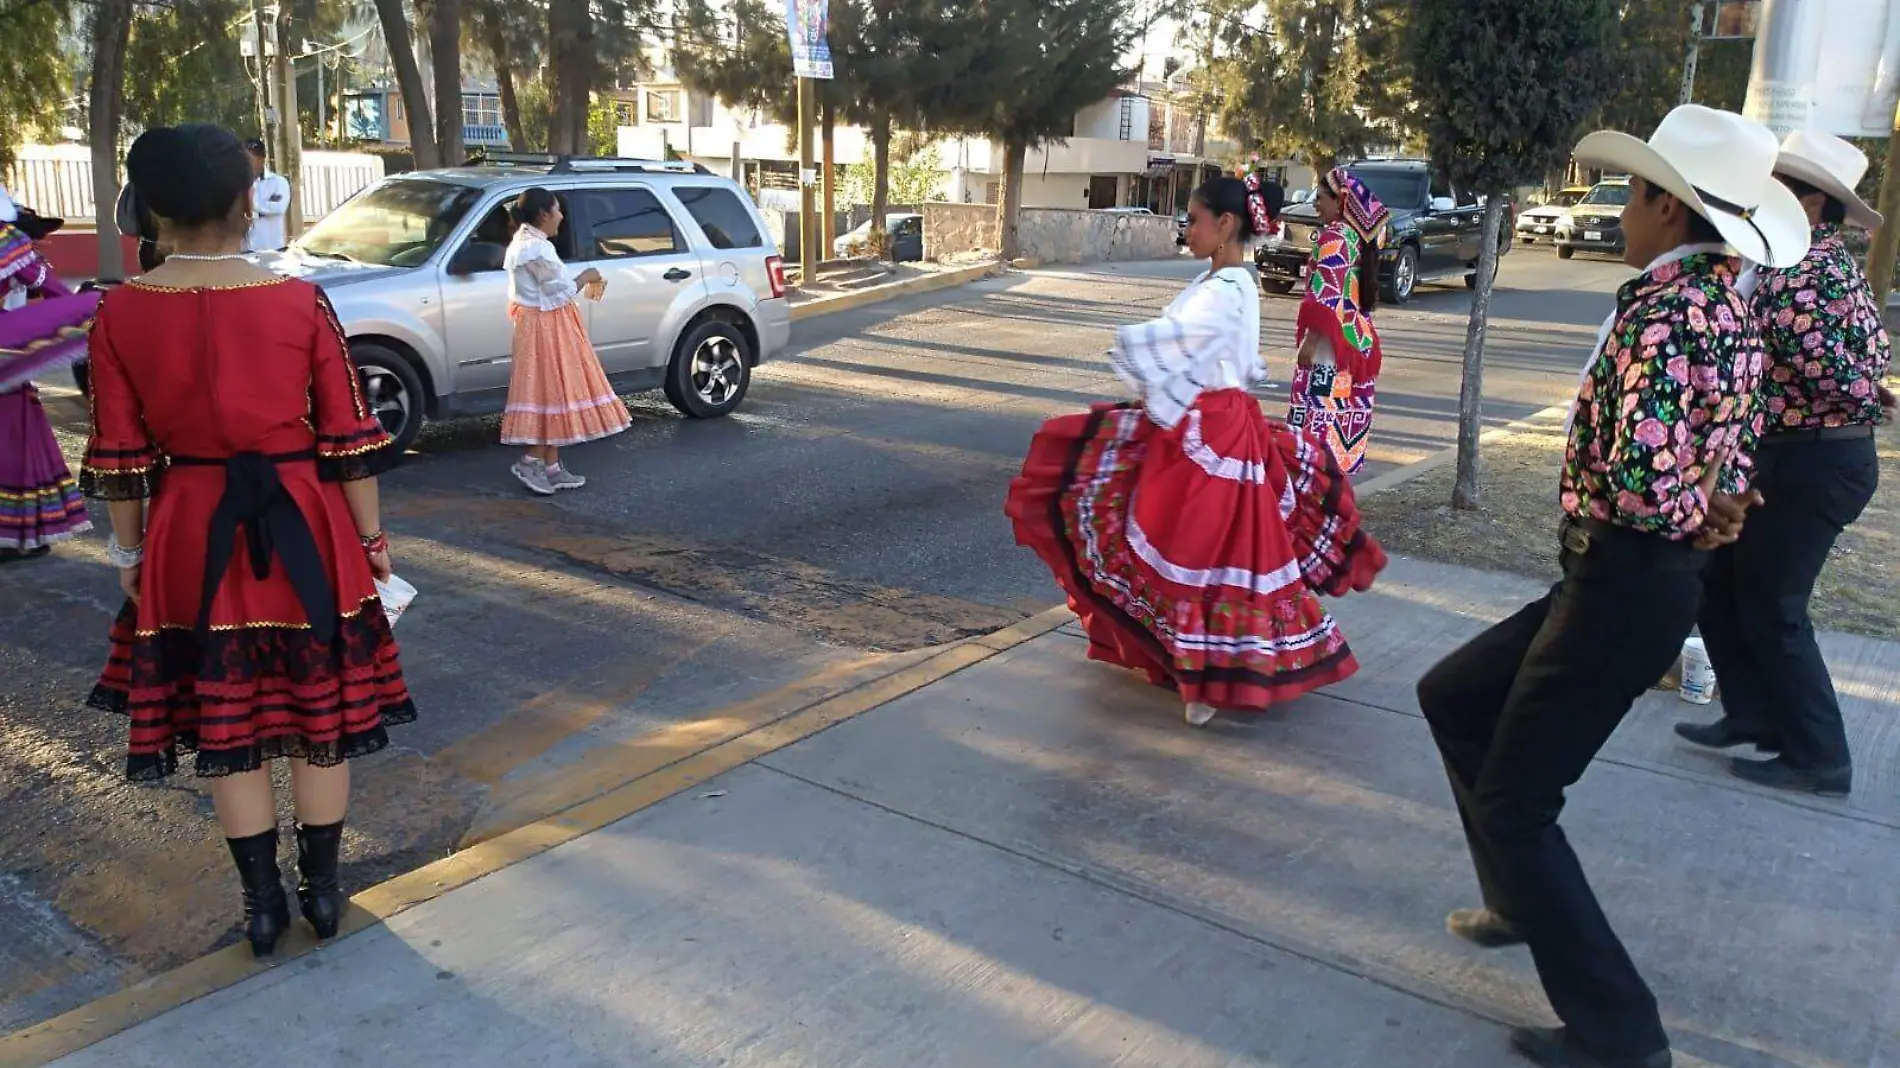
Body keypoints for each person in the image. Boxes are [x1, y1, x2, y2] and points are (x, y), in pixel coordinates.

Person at [1415, 105, 1809, 1068]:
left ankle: (1620, 1033)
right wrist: (1720, 508)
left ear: (1668, 206)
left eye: (1629, 197)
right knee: (1455, 696)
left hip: (1624, 579)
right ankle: (1519, 898)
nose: (1618, 215)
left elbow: (1641, 478)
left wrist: (1695, 512)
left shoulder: (1668, 308)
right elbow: (1733, 442)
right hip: (1631, 577)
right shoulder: (1730, 300)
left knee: (1519, 803)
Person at [81, 124, 417, 958]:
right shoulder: (300, 301)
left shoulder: (119, 311)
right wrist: (372, 543)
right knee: (320, 717)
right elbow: (346, 440)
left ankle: (262, 905)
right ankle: (325, 894)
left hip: (190, 532)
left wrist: (130, 559)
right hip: (306, 524)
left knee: (227, 728)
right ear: (246, 200)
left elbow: (122, 461)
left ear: (152, 206)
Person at [1004, 176, 1387, 728]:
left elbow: (1178, 344)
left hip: (1216, 434)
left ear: (1225, 225)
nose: (1188, 228)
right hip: (1205, 424)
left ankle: (1207, 677)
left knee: (1202, 551)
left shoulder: (1228, 290)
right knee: (1194, 545)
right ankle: (1190, 663)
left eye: (1195, 219)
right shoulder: (1222, 280)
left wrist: (1141, 352)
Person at [1676, 130, 1894, 797]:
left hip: (1815, 462)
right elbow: (1877, 358)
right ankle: (1756, 716)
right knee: (1718, 582)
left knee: (1774, 605)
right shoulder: (1798, 263)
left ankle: (1820, 754)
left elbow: (1852, 375)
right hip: (1794, 455)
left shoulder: (1806, 271)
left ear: (1810, 202)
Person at [500, 186, 630, 495]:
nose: (561, 216)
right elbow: (558, 292)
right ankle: (531, 460)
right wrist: (586, 276)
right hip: (546, 325)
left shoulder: (528, 242)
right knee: (551, 391)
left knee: (553, 393)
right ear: (544, 214)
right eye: (557, 210)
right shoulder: (535, 248)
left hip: (543, 322)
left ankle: (552, 467)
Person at [1, 186, 99, 563]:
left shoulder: (6, 239)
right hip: (7, 355)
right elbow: (47, 284)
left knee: (13, 437)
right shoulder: (7, 240)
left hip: (6, 355)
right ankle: (23, 532)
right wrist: (74, 312)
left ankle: (20, 534)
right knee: (14, 439)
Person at [1288, 167, 1389, 474]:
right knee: (1337, 420)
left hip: (1329, 347)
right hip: (1353, 342)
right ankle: (1333, 495)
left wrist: (1310, 341)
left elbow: (1328, 293)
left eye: (1320, 198)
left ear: (1340, 201)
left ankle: (1314, 496)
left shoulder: (1334, 236)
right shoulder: (1355, 238)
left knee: (1315, 423)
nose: (1315, 204)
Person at [243, 138, 291, 253]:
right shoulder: (238, 183)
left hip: (273, 249)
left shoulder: (278, 182)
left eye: (249, 159)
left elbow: (278, 208)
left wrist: (250, 204)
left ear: (261, 159)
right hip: (245, 250)